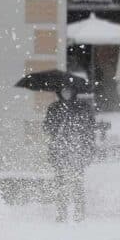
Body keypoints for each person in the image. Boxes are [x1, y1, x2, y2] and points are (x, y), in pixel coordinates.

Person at [43, 86, 95, 222]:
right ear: (59, 92)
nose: (66, 93)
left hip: (77, 150)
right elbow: (46, 127)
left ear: (74, 92)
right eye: (64, 90)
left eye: (69, 90)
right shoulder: (54, 108)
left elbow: (89, 129)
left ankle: (79, 213)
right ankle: (61, 213)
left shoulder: (81, 107)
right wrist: (58, 122)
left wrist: (87, 149)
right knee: (60, 184)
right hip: (59, 151)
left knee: (77, 183)